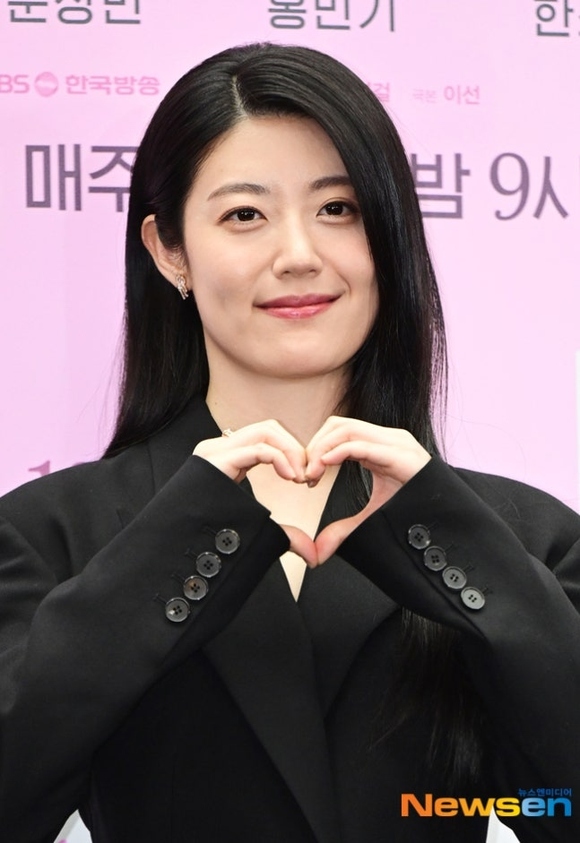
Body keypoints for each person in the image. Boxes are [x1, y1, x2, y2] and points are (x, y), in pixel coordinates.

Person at [0, 42, 578, 843]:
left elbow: (560, 806)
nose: (300, 255)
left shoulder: (521, 540)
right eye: (245, 215)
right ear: (170, 250)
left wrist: (452, 540)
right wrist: (175, 539)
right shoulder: (50, 535)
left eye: (338, 209)